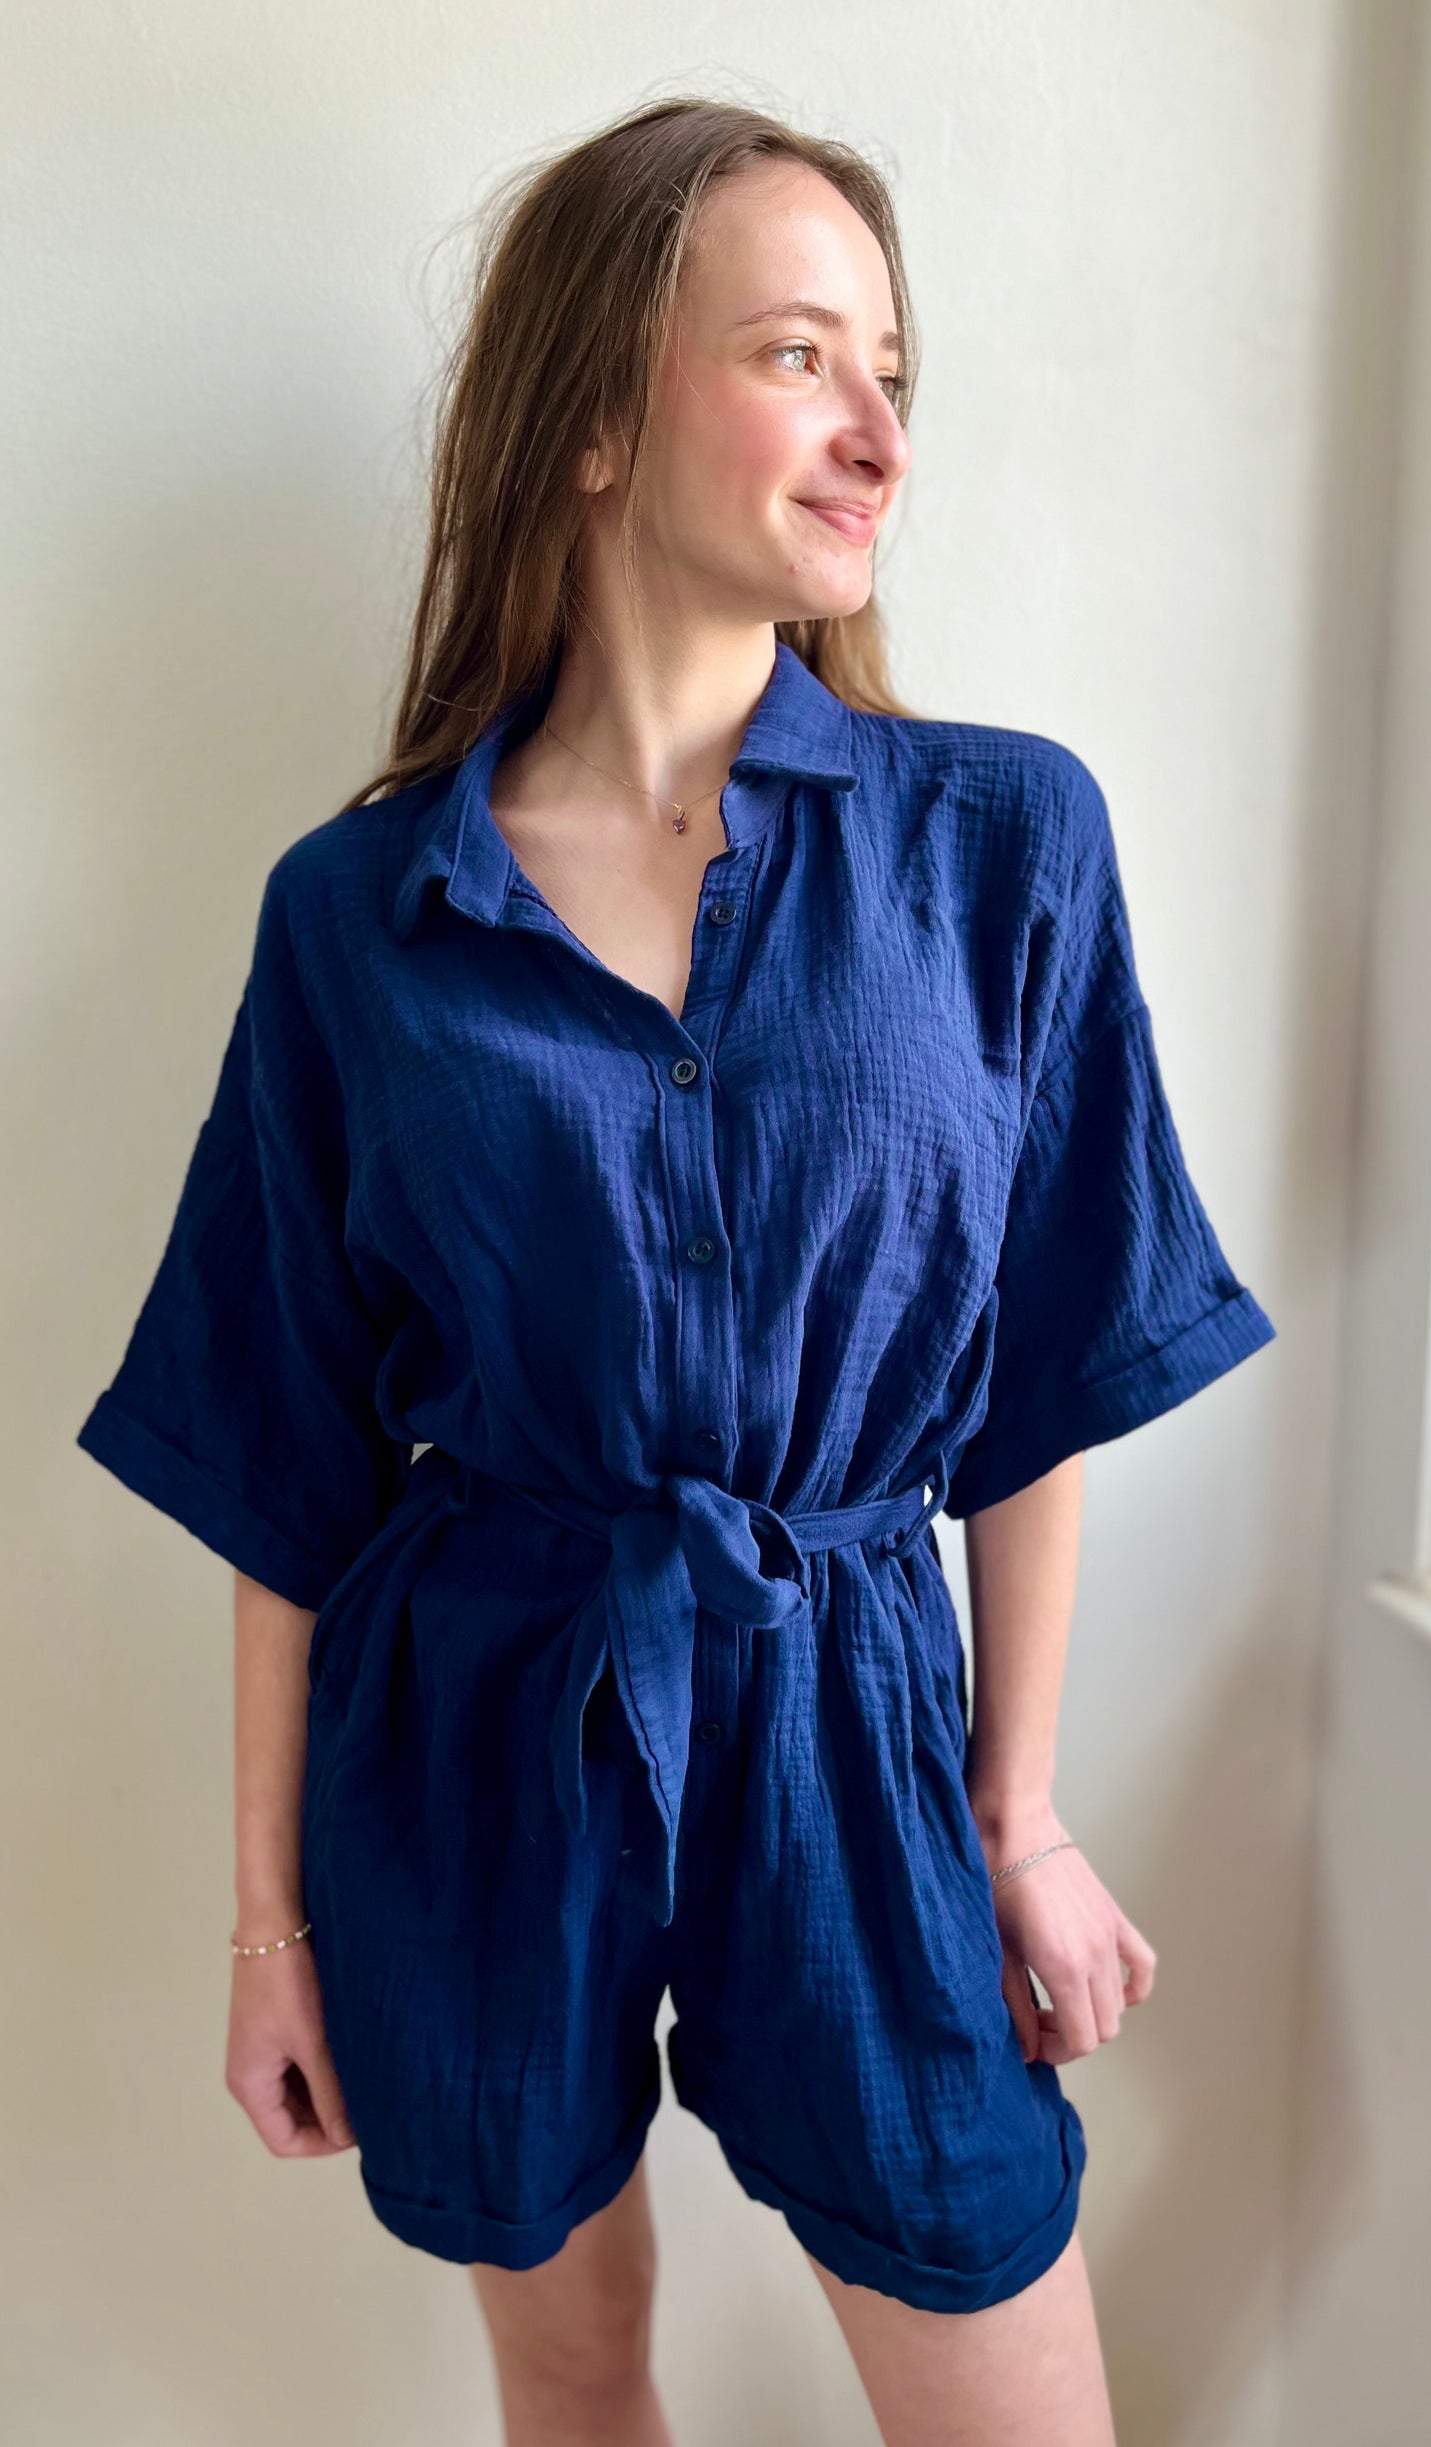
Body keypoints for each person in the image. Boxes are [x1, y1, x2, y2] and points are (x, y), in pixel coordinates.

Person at [75, 95, 1276, 2447]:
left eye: (894, 375)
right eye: (800, 355)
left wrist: (1017, 1812)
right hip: (477, 1724)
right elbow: (282, 1454)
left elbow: (1045, 1367)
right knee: (572, 2376)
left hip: (854, 1720)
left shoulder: (999, 846)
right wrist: (266, 1926)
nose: (878, 432)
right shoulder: (364, 917)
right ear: (600, 417)